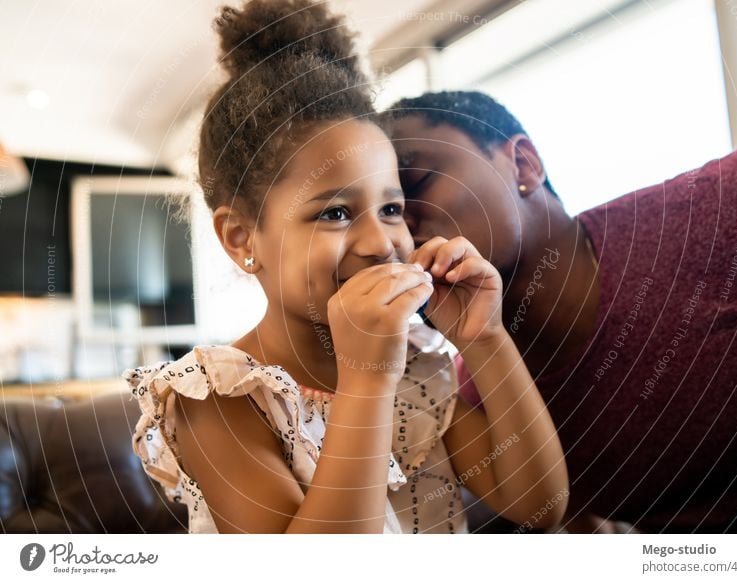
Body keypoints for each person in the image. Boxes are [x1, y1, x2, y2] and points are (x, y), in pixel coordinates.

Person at [124, 2, 567, 534]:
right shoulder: (219, 397)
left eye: (392, 209)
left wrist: (486, 339)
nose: (381, 243)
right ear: (242, 238)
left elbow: (540, 504)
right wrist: (366, 382)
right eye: (334, 213)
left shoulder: (415, 368)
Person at [380, 90, 737, 533]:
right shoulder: (481, 398)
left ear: (524, 164)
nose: (398, 226)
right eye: (388, 208)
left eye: (418, 182)